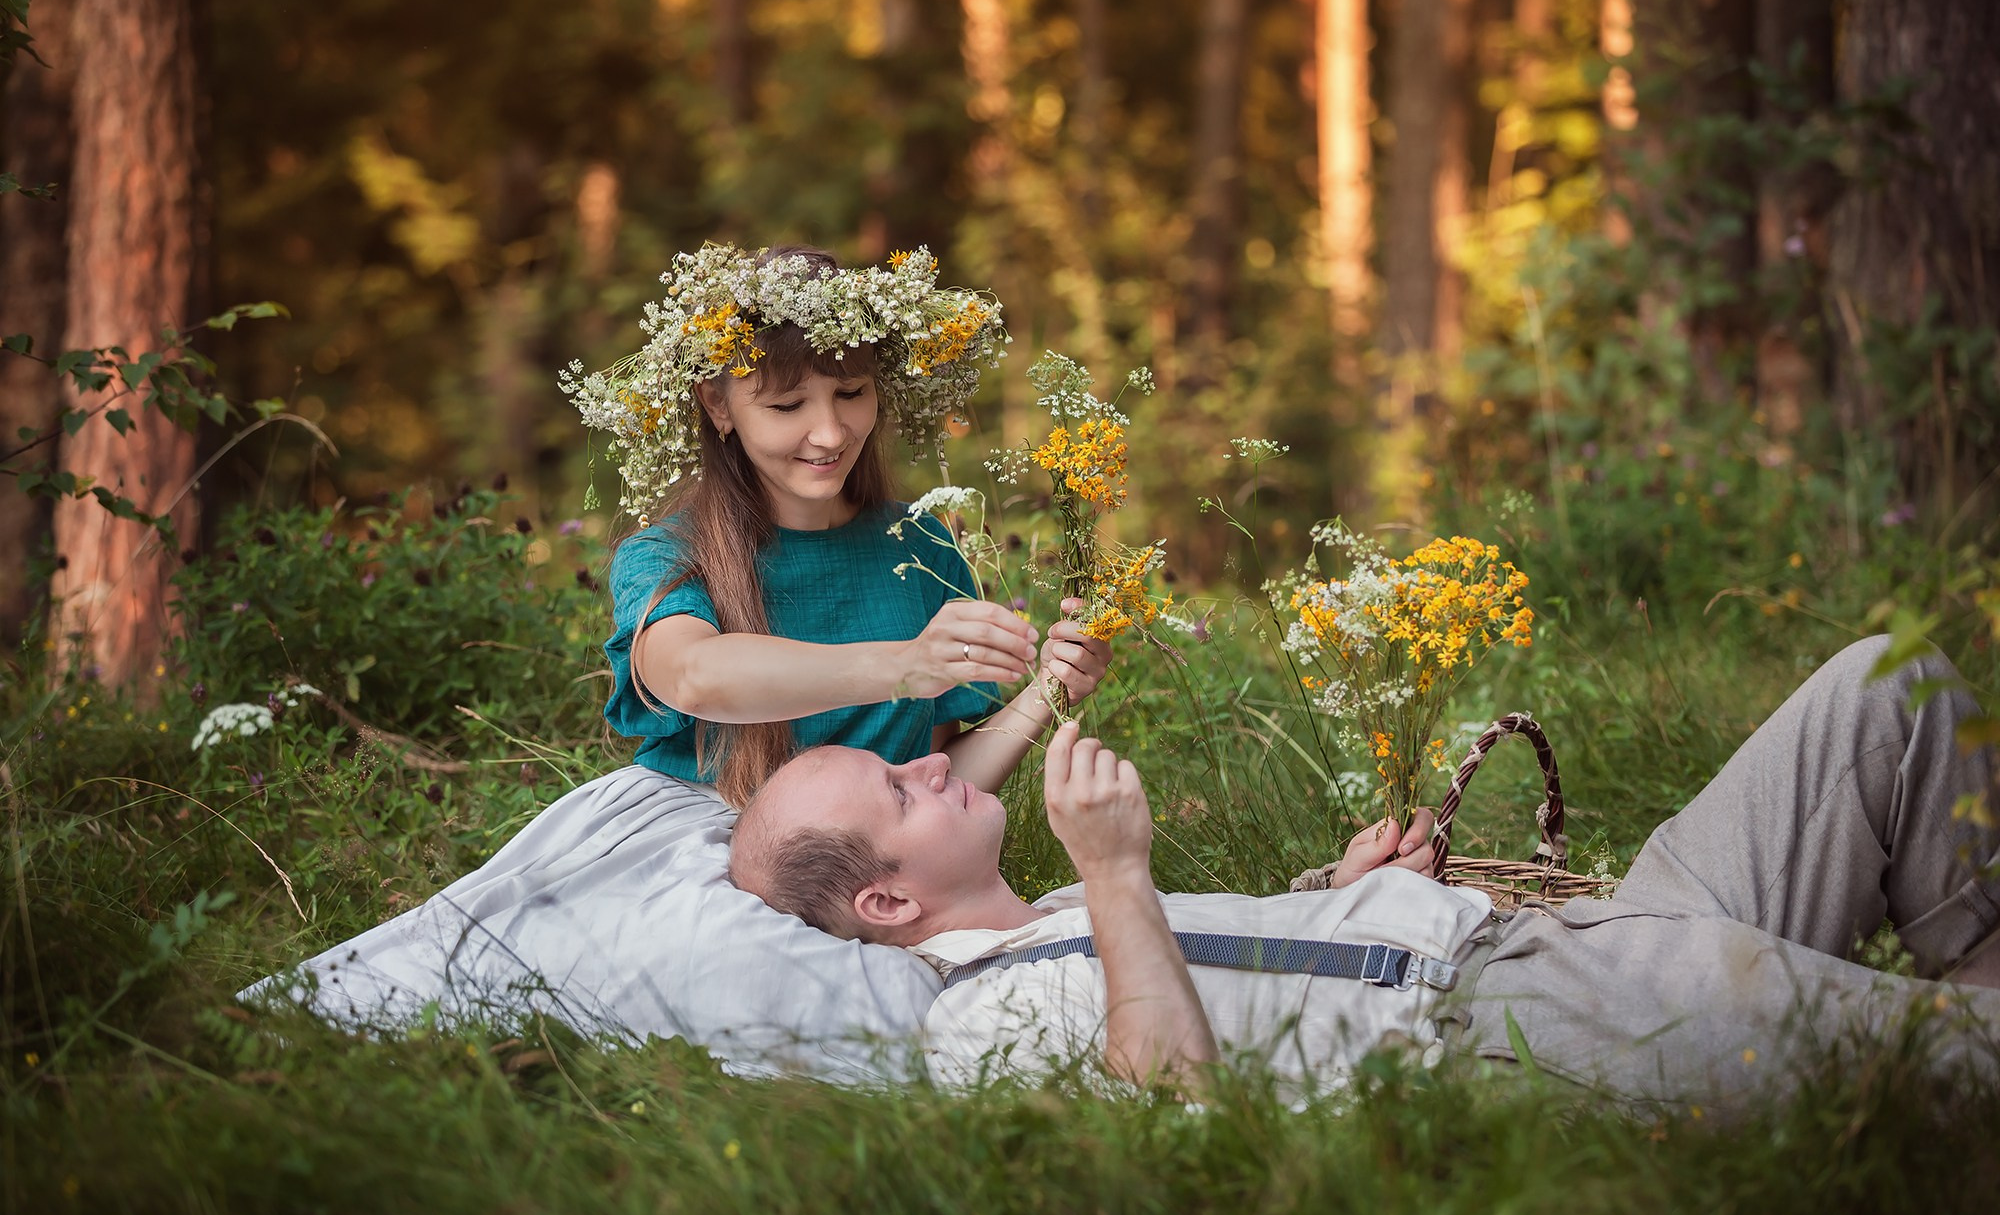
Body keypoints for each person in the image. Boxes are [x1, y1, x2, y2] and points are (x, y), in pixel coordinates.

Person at [253, 245, 1111, 1074]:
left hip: (862, 867)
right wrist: (901, 664)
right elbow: (694, 674)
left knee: (903, 1002)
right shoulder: (671, 553)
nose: (829, 429)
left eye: (852, 392)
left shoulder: (918, 545)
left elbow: (931, 781)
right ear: (718, 405)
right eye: (785, 406)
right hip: (693, 833)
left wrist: (1042, 692)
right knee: (696, 966)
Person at [729, 638, 2000, 1106]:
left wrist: (1347, 891)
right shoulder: (979, 1023)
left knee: (1883, 690)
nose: (933, 768)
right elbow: (1174, 1090)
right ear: (888, 902)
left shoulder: (1056, 914)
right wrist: (1116, 868)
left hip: (1560, 932)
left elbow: (1250, 969)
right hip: (1525, 1019)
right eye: (899, 793)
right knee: (1951, 1053)